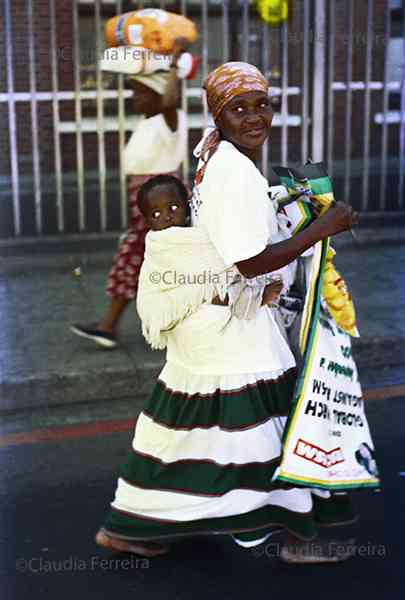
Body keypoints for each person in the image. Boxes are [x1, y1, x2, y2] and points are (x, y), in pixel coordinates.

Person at [94, 62, 359, 562]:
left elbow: (230, 226)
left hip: (216, 323)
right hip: (229, 323)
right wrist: (324, 228)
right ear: (219, 112)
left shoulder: (219, 152)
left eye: (262, 104)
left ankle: (134, 523)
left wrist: (286, 203)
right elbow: (249, 260)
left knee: (194, 432)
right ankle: (290, 536)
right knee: (261, 424)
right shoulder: (232, 167)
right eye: (239, 107)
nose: (255, 116)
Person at [70, 42, 189, 349]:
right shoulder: (150, 123)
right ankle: (114, 325)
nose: (135, 98)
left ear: (159, 96)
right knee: (146, 260)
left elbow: (171, 100)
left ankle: (109, 326)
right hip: (149, 201)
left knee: (136, 257)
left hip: (160, 200)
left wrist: (173, 67)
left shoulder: (169, 119)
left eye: (141, 92)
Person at [134, 173, 285, 351]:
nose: (166, 217)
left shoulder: (198, 233)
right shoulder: (158, 244)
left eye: (173, 207)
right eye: (156, 214)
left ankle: (242, 297)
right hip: (173, 296)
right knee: (217, 285)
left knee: (224, 278)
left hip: (198, 298)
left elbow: (214, 257)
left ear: (187, 204)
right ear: (147, 220)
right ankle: (251, 300)